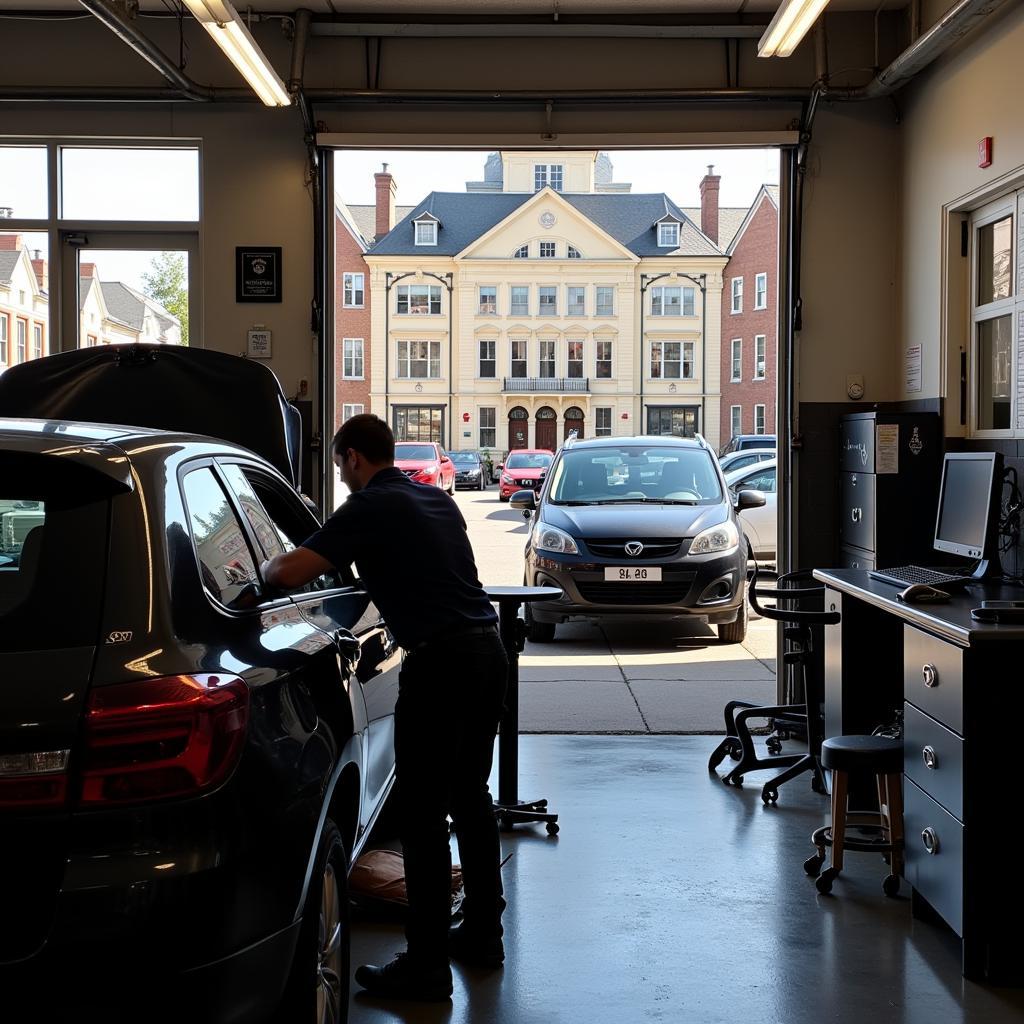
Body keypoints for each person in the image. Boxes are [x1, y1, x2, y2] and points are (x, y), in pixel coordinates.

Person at [262, 414, 508, 1001]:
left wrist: (259, 569)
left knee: (422, 816)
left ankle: (424, 968)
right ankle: (482, 935)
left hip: (439, 663)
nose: (343, 476)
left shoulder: (368, 508)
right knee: (470, 799)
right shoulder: (436, 502)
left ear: (350, 458)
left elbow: (288, 571)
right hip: (486, 651)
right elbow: (428, 573)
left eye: (341, 465)